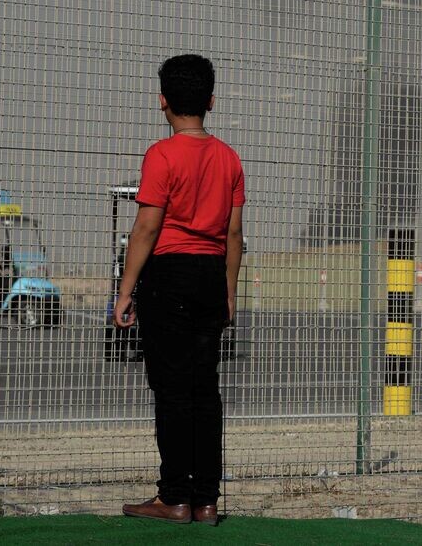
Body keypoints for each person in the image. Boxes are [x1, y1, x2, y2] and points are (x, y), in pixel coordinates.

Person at [115, 54, 245, 526]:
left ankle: (173, 497)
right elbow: (233, 236)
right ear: (211, 100)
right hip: (211, 275)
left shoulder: (161, 155)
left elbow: (147, 228)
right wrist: (229, 291)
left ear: (162, 102)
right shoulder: (229, 158)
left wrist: (126, 289)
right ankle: (207, 499)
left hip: (168, 278)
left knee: (171, 392)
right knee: (205, 392)